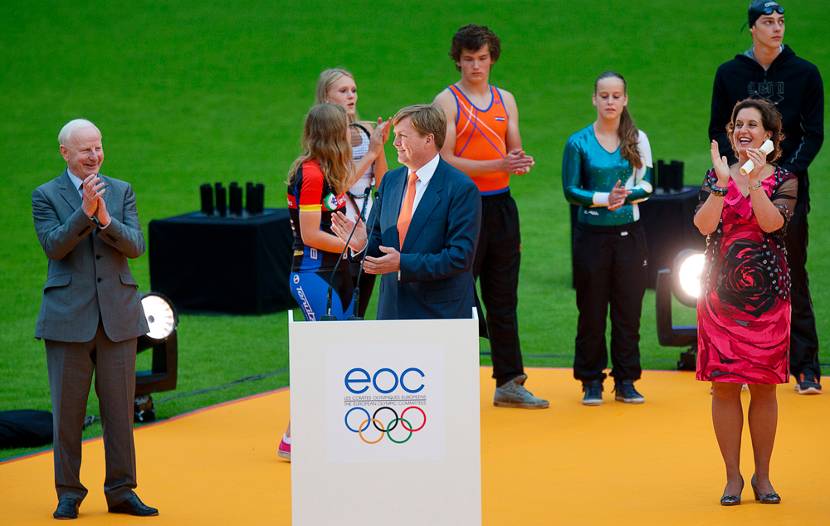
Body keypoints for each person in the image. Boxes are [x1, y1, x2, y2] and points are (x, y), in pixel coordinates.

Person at [32, 119, 158, 519]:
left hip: (118, 318)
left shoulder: (120, 191)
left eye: (98, 147)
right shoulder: (45, 196)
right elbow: (54, 246)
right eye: (85, 149)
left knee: (120, 413)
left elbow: (136, 245)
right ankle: (68, 493)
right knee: (67, 414)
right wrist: (84, 214)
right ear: (65, 153)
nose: (94, 156)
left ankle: (122, 490)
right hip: (67, 321)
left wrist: (104, 219)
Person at [708, 0, 824, 394]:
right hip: (738, 189)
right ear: (752, 28)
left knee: (793, 271)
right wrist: (742, 173)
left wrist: (781, 172)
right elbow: (719, 131)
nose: (777, 28)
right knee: (733, 272)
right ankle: (738, 362)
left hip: (784, 190)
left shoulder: (806, 73)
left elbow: (814, 133)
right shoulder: (729, 73)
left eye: (781, 21)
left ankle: (805, 366)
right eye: (767, 22)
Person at [433, 24, 547, 409]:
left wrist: (518, 162)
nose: (476, 66)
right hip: (462, 208)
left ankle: (509, 382)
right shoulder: (446, 102)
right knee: (459, 292)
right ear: (458, 61)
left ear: (492, 58)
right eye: (468, 60)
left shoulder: (506, 100)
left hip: (501, 206)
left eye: (482, 58)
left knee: (503, 296)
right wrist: (499, 162)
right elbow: (444, 161)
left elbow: (513, 150)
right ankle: (450, 379)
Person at [695, 98, 795, 505]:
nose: (743, 130)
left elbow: (772, 223)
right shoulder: (716, 175)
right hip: (720, 297)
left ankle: (764, 477)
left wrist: (752, 181)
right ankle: (733, 477)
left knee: (764, 389)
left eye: (753, 124)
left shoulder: (785, 178)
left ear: (769, 135)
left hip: (768, 300)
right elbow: (703, 224)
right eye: (738, 124)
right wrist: (723, 183)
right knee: (724, 388)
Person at [331, 104, 481, 320]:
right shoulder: (390, 182)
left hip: (440, 315)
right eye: (395, 135)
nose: (395, 143)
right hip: (392, 310)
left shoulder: (460, 188)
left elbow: (460, 257)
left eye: (402, 136)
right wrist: (361, 244)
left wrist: (403, 263)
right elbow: (379, 241)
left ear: (428, 139)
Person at [561, 72, 653, 406]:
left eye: (616, 96)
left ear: (625, 99)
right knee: (591, 310)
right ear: (594, 99)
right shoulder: (578, 142)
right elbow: (571, 190)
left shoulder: (638, 139)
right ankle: (591, 380)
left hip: (629, 236)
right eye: (604, 96)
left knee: (629, 310)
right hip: (591, 237)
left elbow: (648, 185)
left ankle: (626, 379)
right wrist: (604, 199)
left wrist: (624, 197)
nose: (610, 102)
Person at [279, 103, 363, 460]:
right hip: (312, 276)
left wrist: (353, 240)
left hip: (330, 274)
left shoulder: (326, 172)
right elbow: (311, 234)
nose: (351, 133)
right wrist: (351, 244)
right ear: (333, 134)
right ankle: (293, 439)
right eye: (346, 128)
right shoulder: (312, 175)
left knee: (337, 356)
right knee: (326, 357)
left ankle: (305, 434)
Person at [316, 68, 390, 317]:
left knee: (360, 306)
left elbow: (383, 183)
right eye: (343, 90)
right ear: (326, 98)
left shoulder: (367, 130)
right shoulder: (324, 136)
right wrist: (371, 153)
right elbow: (334, 189)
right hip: (337, 227)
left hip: (366, 229)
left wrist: (378, 149)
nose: (351, 96)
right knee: (339, 308)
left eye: (354, 90)